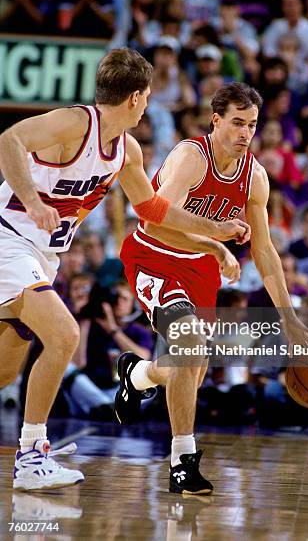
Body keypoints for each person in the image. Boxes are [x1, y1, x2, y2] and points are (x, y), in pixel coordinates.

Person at [0, 48, 248, 492]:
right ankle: (31, 454)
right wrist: (34, 202)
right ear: (135, 98)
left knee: (3, 370)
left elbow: (153, 208)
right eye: (148, 96)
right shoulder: (76, 124)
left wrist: (214, 234)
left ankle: (33, 447)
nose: (148, 104)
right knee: (63, 334)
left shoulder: (126, 151)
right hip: (7, 241)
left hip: (41, 256)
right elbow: (9, 140)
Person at [115, 82, 308, 495]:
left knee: (192, 366)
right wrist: (216, 237)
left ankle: (137, 376)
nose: (245, 133)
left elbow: (264, 251)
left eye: (252, 125)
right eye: (237, 123)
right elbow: (155, 220)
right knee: (191, 347)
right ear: (217, 120)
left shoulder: (255, 177)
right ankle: (183, 462)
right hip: (154, 256)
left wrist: (290, 319)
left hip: (199, 271)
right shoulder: (192, 156)